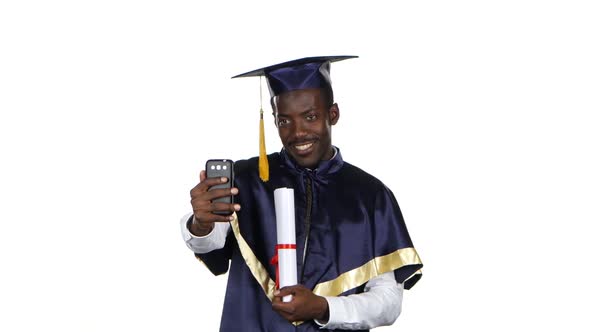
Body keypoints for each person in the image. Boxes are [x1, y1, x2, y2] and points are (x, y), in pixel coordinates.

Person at [180, 56, 423, 331]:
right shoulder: (246, 180)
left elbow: (388, 303)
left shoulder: (371, 196)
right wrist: (201, 225)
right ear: (273, 120)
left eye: (310, 117)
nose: (298, 133)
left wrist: (323, 307)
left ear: (333, 114)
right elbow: (212, 247)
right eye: (284, 121)